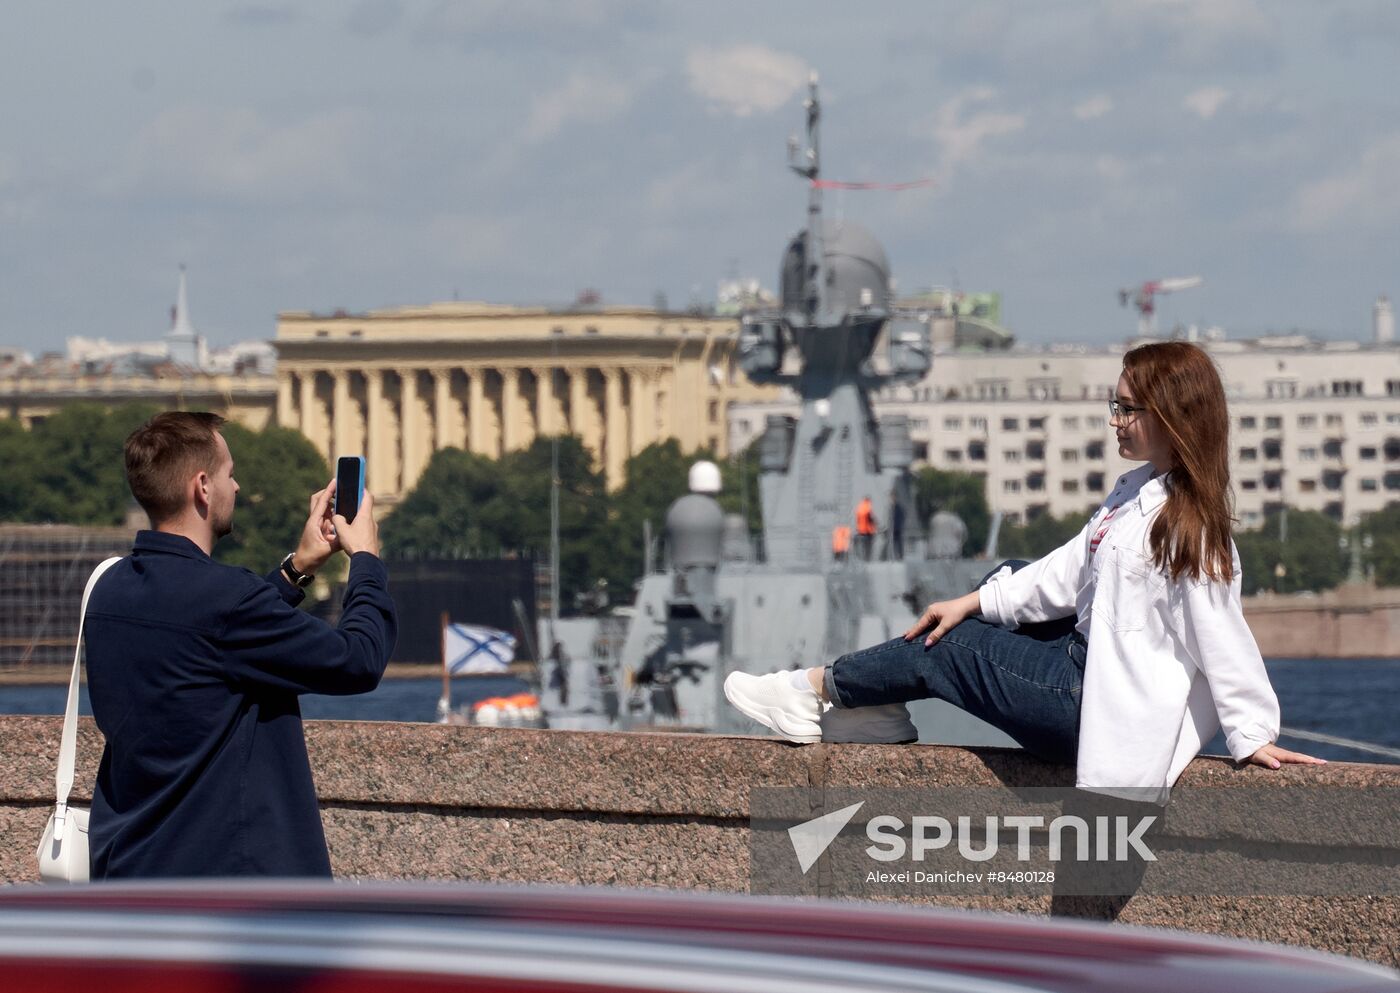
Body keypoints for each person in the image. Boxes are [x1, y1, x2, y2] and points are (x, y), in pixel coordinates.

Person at [725, 342, 1323, 801]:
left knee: (947, 648)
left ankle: (814, 692)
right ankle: (874, 712)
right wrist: (975, 598)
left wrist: (1252, 735)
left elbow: (1222, 636)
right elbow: (1063, 573)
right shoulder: (1133, 493)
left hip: (1091, 702)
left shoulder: (1188, 529)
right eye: (1113, 405)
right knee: (1005, 580)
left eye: (1127, 409)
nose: (1115, 419)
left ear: (1171, 418)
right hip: (1083, 669)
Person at [85, 412, 397, 877]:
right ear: (203, 487)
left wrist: (297, 568)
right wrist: (366, 558)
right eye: (230, 475)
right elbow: (358, 660)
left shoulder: (107, 591)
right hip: (229, 891)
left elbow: (206, 641)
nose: (237, 488)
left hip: (133, 871)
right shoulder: (226, 600)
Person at [855, 496, 877, 561]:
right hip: (868, 531)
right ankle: (867, 559)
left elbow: (858, 520)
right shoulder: (867, 508)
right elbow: (870, 520)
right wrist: (875, 524)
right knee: (868, 547)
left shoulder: (860, 508)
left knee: (863, 547)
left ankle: (863, 559)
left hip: (861, 531)